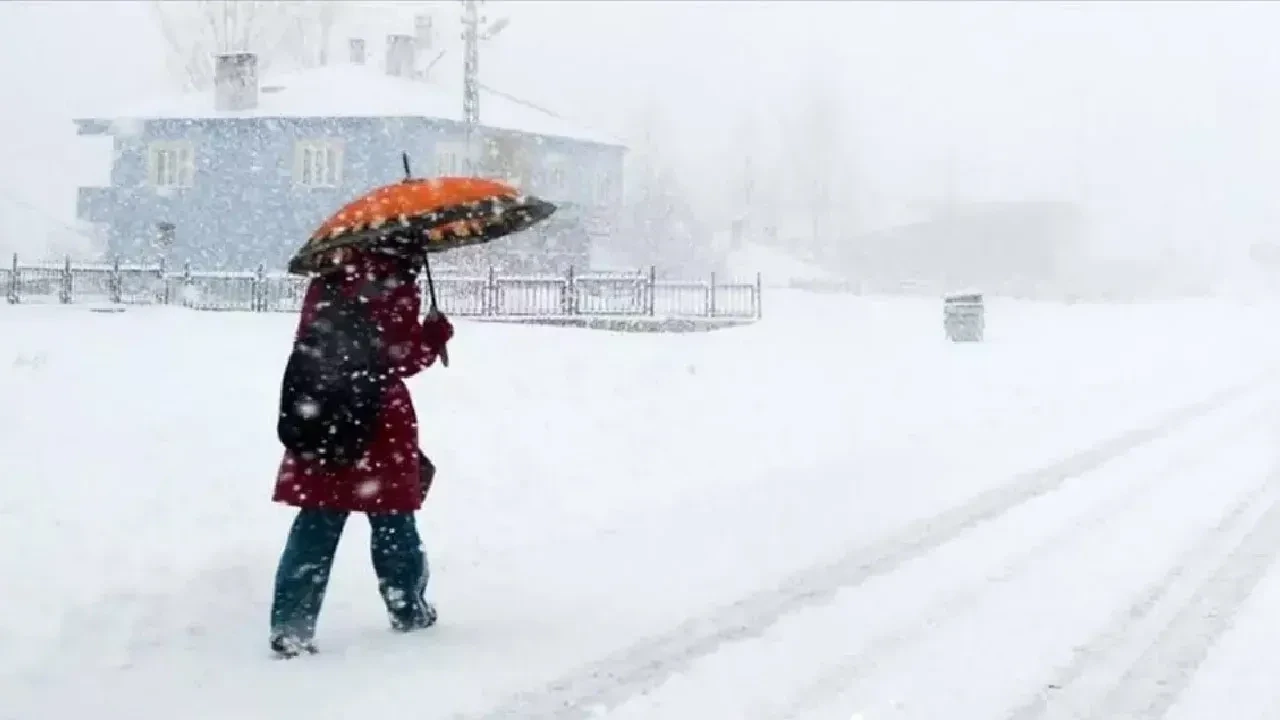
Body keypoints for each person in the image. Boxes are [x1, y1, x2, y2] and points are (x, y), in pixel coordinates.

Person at [268, 246, 453, 658]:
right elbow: (398, 358)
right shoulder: (396, 282)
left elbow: (311, 341)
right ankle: (408, 608)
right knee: (393, 521)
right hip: (377, 418)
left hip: (325, 411)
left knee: (317, 521)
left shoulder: (328, 278)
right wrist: (434, 336)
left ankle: (291, 625)